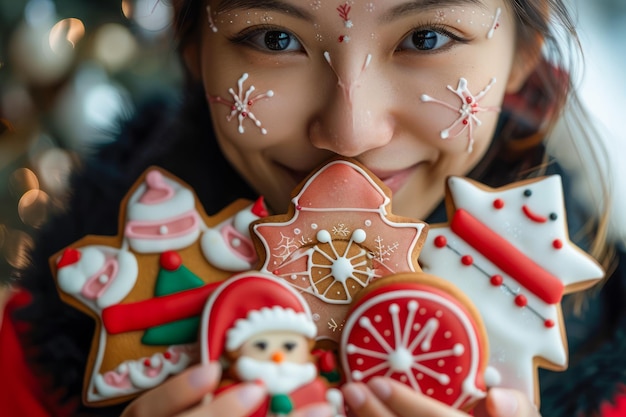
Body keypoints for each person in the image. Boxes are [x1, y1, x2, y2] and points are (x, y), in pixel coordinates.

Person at [2, 0, 625, 416]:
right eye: (275, 38)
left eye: (426, 37)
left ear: (526, 46)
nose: (351, 131)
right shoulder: (29, 356)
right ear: (192, 49)